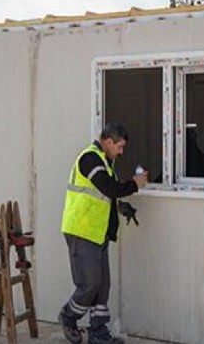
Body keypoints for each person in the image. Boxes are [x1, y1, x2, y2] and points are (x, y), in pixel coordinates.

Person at [59, 123, 148, 344]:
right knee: (89, 284)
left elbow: (104, 196)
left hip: (97, 234)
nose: (121, 151)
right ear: (108, 142)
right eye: (120, 146)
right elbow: (109, 188)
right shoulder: (90, 159)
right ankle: (68, 316)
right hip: (82, 231)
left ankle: (98, 333)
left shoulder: (106, 163)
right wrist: (135, 184)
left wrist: (121, 208)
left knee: (102, 286)